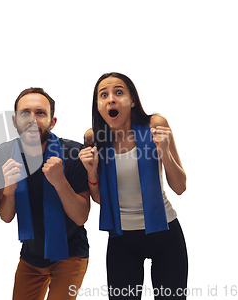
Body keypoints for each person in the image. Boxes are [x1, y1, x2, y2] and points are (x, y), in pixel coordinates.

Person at [79, 73, 188, 300]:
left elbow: (180, 187)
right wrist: (91, 172)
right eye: (104, 95)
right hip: (122, 238)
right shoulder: (94, 138)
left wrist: (165, 153)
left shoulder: (155, 126)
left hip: (165, 231)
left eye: (119, 92)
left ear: (133, 101)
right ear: (98, 106)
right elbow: (100, 199)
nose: (111, 99)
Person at [0, 87, 90, 300]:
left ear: (52, 121)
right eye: (25, 112)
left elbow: (81, 216)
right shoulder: (3, 153)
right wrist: (9, 188)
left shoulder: (74, 154)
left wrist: (60, 181)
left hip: (69, 251)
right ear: (14, 121)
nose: (32, 119)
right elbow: (7, 217)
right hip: (31, 255)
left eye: (40, 113)